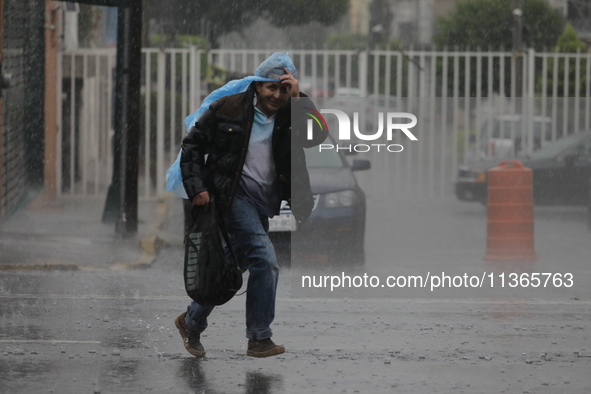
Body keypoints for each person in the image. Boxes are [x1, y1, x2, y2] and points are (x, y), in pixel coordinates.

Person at [174, 53, 327, 358]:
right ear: (257, 85)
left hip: (262, 205)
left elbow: (318, 135)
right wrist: (197, 188)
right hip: (232, 199)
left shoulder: (290, 115)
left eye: (284, 89)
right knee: (265, 260)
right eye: (271, 87)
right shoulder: (228, 109)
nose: (277, 95)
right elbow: (192, 145)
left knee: (229, 269)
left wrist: (299, 99)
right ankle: (259, 337)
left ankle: (192, 321)